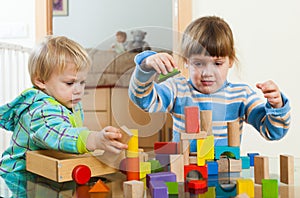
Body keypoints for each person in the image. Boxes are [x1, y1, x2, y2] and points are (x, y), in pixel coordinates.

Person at [128, 16, 291, 152]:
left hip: (225, 177)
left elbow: (273, 132)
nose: (207, 73)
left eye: (217, 63)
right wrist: (145, 67)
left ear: (231, 61)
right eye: (198, 63)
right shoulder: (177, 89)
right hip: (184, 175)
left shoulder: (241, 96)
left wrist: (277, 106)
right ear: (186, 61)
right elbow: (143, 100)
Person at [0, 36, 128, 174]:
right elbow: (59, 134)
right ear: (41, 81)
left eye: (82, 82)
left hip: (46, 171)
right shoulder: (41, 109)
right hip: (19, 175)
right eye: (69, 83)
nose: (79, 90)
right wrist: (94, 139)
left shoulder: (69, 102)